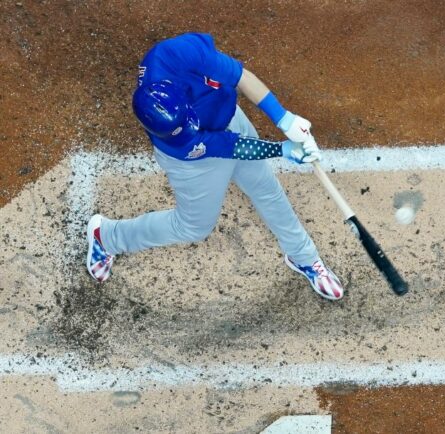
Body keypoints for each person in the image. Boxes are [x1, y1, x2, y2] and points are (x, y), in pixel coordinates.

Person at [84, 32, 343, 301]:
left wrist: (286, 120)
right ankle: (107, 236)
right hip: (197, 164)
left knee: (266, 189)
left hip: (231, 118)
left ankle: (304, 257)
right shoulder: (180, 141)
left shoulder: (177, 54)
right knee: (192, 227)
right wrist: (282, 149)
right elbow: (231, 146)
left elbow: (240, 76)